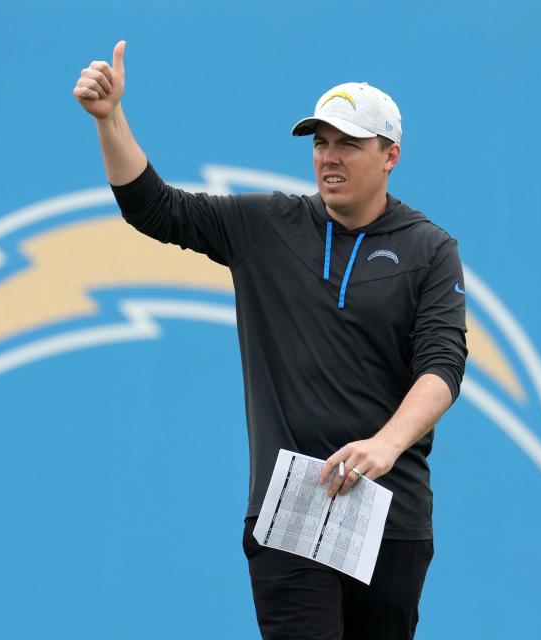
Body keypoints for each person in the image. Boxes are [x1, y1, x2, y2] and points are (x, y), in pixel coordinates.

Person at [73, 41, 467, 640]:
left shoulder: (429, 249)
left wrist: (385, 446)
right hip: (293, 508)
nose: (329, 158)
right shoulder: (266, 225)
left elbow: (443, 365)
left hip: (390, 514)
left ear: (390, 155)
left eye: (348, 144)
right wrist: (111, 119)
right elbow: (155, 208)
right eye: (320, 142)